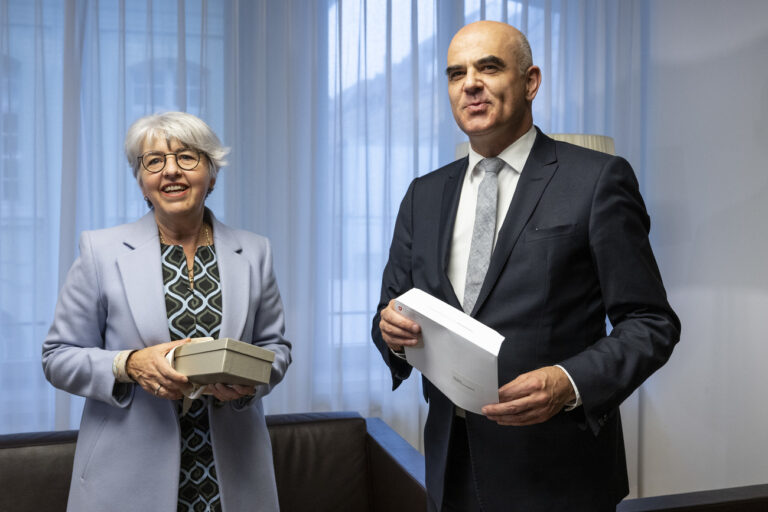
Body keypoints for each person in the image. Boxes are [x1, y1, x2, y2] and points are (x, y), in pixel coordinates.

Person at [372, 21, 680, 511]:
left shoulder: (596, 179)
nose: (469, 83)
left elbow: (651, 324)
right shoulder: (422, 194)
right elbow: (390, 312)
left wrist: (568, 382)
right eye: (456, 74)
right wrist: (388, 331)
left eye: (488, 67)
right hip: (450, 468)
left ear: (531, 81)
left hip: (558, 472)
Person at [42, 111, 292, 512]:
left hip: (232, 475)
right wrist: (128, 364)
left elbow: (276, 348)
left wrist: (249, 384)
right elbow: (57, 357)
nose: (171, 171)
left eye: (188, 157)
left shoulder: (255, 251)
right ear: (142, 182)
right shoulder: (100, 252)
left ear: (212, 174)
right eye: (153, 161)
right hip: (125, 478)